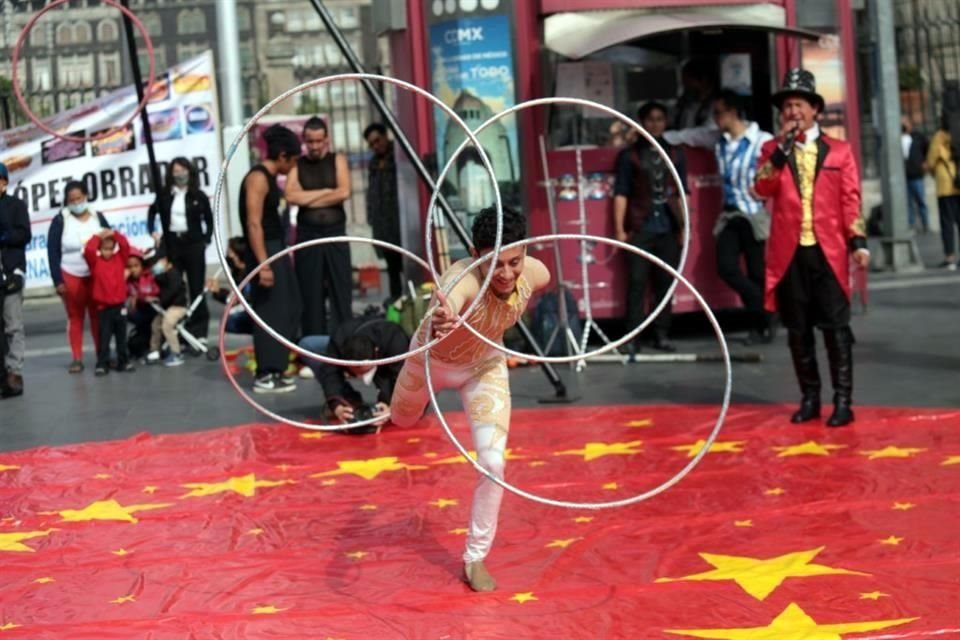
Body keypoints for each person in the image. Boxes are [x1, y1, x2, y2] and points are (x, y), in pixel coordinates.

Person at [389, 206, 551, 592]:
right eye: (496, 264)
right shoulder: (458, 283)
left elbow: (536, 275)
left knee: (494, 464)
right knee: (401, 420)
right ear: (478, 256)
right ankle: (414, 401)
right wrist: (438, 320)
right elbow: (441, 308)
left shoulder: (535, 273)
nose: (508, 274)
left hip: (484, 367)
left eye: (515, 261)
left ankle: (475, 557)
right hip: (433, 361)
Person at [754, 69, 869, 428]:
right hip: (789, 253)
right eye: (787, 106)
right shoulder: (771, 150)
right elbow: (760, 189)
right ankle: (809, 398)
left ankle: (843, 400)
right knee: (798, 330)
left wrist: (858, 243)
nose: (793, 112)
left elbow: (850, 199)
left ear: (815, 110)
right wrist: (781, 151)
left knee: (835, 329)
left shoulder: (840, 151)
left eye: (799, 104)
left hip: (828, 251)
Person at [613, 101, 686, 354]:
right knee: (636, 282)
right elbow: (621, 193)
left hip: (667, 226)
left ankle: (662, 333)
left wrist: (684, 226)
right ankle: (632, 336)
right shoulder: (629, 155)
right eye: (650, 119)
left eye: (660, 119)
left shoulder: (675, 153)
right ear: (642, 122)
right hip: (640, 227)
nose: (655, 124)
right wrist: (620, 230)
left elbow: (680, 194)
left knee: (665, 283)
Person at [240, 124, 303, 393]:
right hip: (263, 250)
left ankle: (277, 367)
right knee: (269, 312)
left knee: (289, 308)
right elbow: (254, 224)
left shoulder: (270, 176)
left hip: (275, 248)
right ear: (282, 156)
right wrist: (264, 264)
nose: (294, 165)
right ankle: (266, 373)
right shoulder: (258, 178)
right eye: (293, 159)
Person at [711, 90, 776, 344]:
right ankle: (765, 311)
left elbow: (779, 168)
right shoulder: (720, 141)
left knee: (757, 272)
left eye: (719, 113)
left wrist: (765, 187)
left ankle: (760, 326)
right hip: (729, 214)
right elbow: (691, 136)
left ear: (733, 112)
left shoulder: (762, 140)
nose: (715, 118)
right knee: (726, 267)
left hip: (753, 213)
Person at [285, 116, 353, 337]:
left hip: (335, 233)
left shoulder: (337, 160)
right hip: (308, 234)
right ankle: (313, 342)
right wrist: (325, 192)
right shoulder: (298, 165)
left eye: (318, 141)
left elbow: (344, 192)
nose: (314, 146)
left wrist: (308, 197)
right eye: (309, 141)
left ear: (326, 140)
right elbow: (290, 195)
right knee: (310, 292)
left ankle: (345, 341)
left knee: (341, 289)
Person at [300, 315, 409, 433]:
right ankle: (349, 398)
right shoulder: (339, 339)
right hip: (347, 336)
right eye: (353, 369)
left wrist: (392, 406)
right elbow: (330, 372)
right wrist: (337, 405)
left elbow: (407, 380)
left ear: (375, 353)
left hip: (388, 353)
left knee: (408, 405)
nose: (359, 375)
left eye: (362, 369)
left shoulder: (395, 340)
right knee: (306, 345)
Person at [147, 157, 214, 343]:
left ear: (190, 172)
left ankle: (200, 332)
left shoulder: (198, 195)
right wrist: (153, 232)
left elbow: (209, 219)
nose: (179, 175)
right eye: (175, 171)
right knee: (174, 285)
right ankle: (176, 328)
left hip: (193, 245)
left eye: (182, 170)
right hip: (172, 244)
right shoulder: (165, 195)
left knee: (196, 286)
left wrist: (206, 239)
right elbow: (152, 212)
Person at [47, 180, 110, 374]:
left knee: (97, 317)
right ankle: (77, 358)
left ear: (86, 196)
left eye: (79, 198)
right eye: (71, 200)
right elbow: (53, 251)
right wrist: (58, 280)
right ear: (66, 201)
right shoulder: (60, 220)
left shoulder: (97, 217)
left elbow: (110, 240)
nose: (76, 203)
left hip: (95, 275)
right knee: (75, 317)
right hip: (71, 275)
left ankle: (102, 355)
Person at [83, 229, 133, 375]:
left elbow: (125, 245)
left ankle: (123, 361)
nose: (108, 252)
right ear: (100, 249)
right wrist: (97, 236)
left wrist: (114, 234)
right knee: (104, 338)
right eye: (105, 249)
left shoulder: (120, 259)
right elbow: (88, 250)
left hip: (119, 306)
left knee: (121, 337)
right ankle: (102, 363)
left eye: (111, 249)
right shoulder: (95, 262)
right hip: (103, 308)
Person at [0, 161, 31, 397]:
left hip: (11, 273)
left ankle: (14, 372)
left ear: (4, 182)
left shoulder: (15, 206)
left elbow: (24, 234)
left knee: (13, 326)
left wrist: (5, 235)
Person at [364, 123, 404, 301]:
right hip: (383, 225)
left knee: (407, 265)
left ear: (385, 136)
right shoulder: (373, 162)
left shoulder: (398, 155)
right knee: (392, 269)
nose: (375, 146)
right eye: (371, 144)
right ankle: (396, 303)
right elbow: (372, 191)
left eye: (377, 141)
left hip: (400, 222)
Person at [925, 112, 960, 269]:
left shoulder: (939, 136)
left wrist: (933, 172)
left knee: (947, 222)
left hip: (945, 184)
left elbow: (931, 160)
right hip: (959, 182)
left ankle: (950, 257)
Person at [146, 249, 187, 367]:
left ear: (165, 261)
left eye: (157, 263)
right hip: (168, 307)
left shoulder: (174, 274)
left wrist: (159, 299)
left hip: (178, 307)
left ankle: (176, 353)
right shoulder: (163, 275)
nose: (155, 266)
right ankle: (154, 350)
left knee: (167, 325)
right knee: (155, 324)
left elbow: (171, 291)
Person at [126, 248, 159, 360]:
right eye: (130, 267)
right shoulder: (129, 281)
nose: (133, 270)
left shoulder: (149, 277)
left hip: (153, 310)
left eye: (136, 266)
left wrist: (139, 297)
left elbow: (155, 293)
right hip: (139, 311)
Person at [902, 117, 930, 233]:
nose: (903, 125)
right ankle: (911, 225)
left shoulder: (918, 136)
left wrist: (925, 162)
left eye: (905, 122)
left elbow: (928, 148)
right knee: (908, 203)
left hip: (917, 174)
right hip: (904, 175)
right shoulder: (898, 137)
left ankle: (925, 225)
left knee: (921, 201)